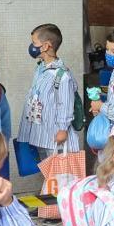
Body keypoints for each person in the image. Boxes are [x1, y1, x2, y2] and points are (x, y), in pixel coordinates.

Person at [18, 23, 80, 159]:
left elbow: (65, 104)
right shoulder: (40, 68)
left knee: (60, 177)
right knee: (49, 176)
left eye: (34, 43)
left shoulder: (62, 75)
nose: (31, 46)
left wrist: (62, 129)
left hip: (55, 136)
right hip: (42, 134)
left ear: (46, 46)